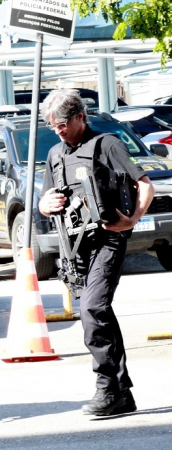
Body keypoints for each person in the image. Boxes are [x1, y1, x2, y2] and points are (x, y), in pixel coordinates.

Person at [38, 89, 154, 416]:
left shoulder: (107, 145)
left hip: (107, 239)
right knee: (98, 313)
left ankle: (106, 389)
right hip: (74, 248)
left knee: (92, 308)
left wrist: (131, 219)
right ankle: (121, 392)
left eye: (62, 123)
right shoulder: (56, 154)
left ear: (80, 117)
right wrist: (44, 205)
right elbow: (46, 200)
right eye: (52, 125)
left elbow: (145, 185)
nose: (58, 129)